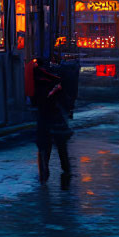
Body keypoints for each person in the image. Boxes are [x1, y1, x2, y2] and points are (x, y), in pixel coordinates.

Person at [33, 48, 75, 186]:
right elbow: (65, 98)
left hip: (44, 117)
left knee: (45, 148)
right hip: (56, 119)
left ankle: (44, 175)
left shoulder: (36, 79)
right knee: (61, 148)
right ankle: (65, 173)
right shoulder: (56, 79)